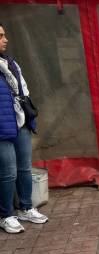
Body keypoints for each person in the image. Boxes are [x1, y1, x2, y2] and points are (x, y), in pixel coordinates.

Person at [0, 23, 49, 234]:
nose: (5, 39)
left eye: (4, 35)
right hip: (2, 127)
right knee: (7, 172)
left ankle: (26, 207)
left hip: (20, 121)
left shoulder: (10, 63)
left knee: (24, 168)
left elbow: (23, 89)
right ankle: (6, 215)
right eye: (0, 35)